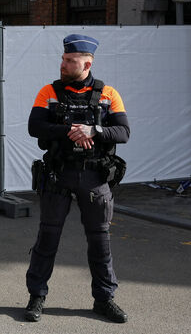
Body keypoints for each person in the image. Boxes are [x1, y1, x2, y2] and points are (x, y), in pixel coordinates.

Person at [24, 34, 130, 323]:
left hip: (95, 177)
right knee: (47, 237)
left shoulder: (108, 93)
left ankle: (105, 299)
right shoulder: (49, 91)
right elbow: (35, 127)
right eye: (63, 58)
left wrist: (93, 131)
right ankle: (36, 296)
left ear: (87, 62)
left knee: (100, 241)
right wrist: (72, 130)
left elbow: (123, 132)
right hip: (58, 174)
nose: (63, 63)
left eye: (70, 60)